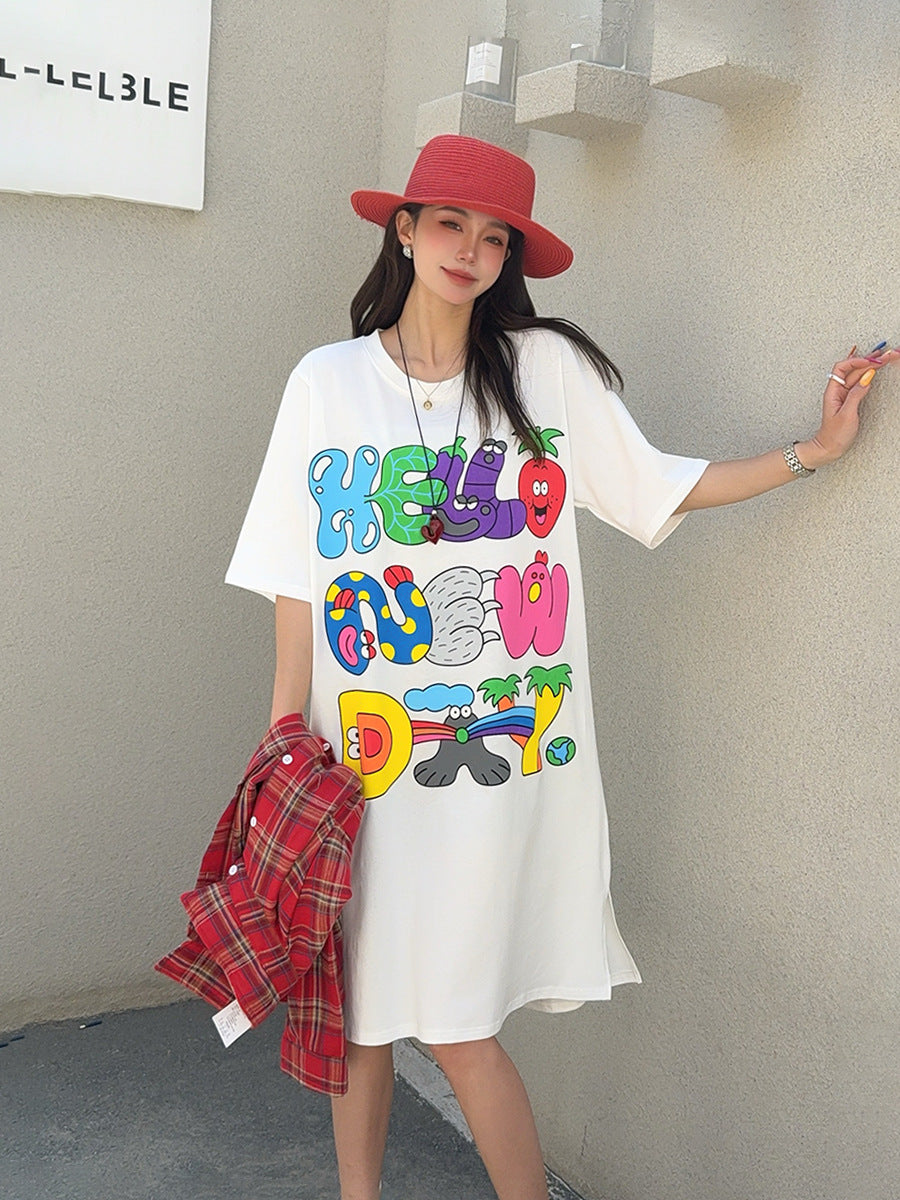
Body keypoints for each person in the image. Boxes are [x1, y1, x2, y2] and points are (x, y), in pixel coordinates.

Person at [223, 135, 897, 1200]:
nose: (470, 250)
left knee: (457, 1027)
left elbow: (656, 486)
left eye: (496, 238)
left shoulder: (543, 371)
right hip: (357, 764)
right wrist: (280, 737)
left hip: (494, 767)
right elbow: (291, 572)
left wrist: (812, 450)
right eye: (451, 224)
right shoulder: (327, 382)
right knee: (359, 1012)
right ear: (405, 230)